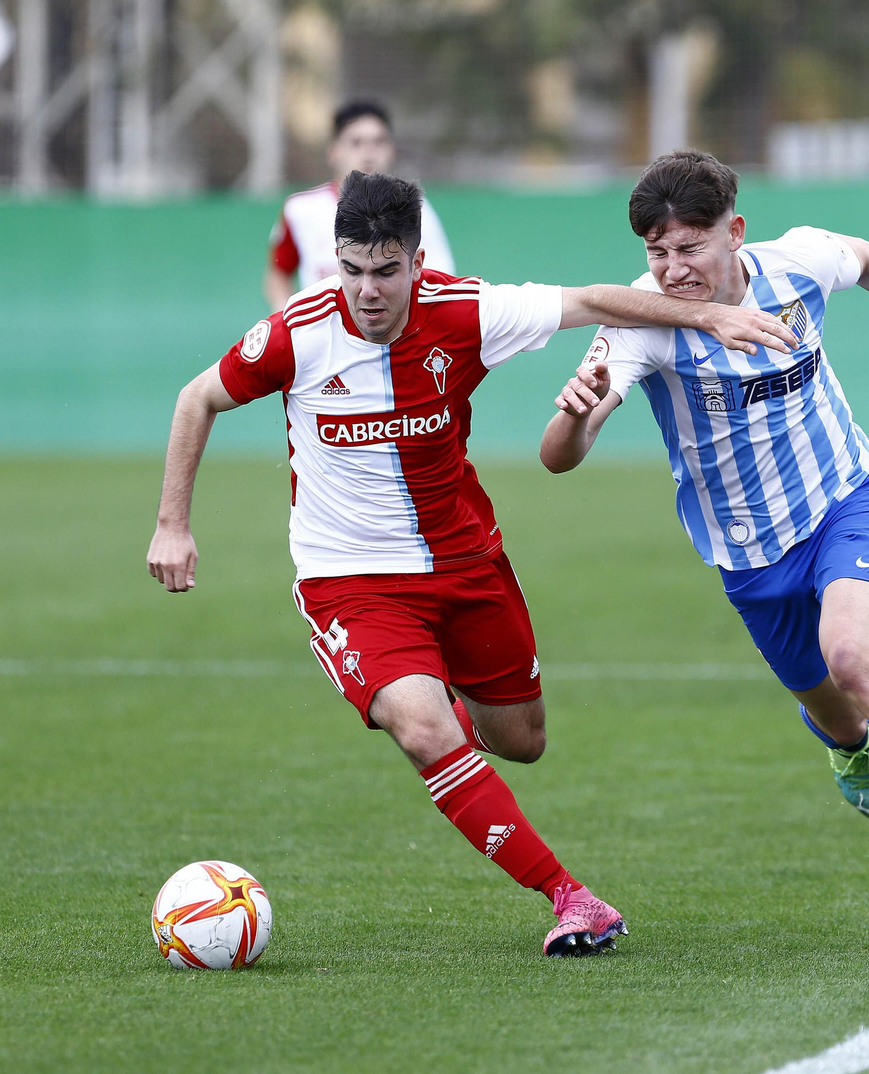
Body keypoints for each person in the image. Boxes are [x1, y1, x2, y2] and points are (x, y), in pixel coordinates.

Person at [149, 170, 794, 956]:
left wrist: (710, 316)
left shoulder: (468, 310)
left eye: (386, 271)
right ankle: (571, 896)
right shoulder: (297, 331)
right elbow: (196, 399)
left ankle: (439, 711)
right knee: (422, 728)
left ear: (418, 262)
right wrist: (171, 525)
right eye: (351, 270)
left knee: (521, 740)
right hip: (348, 581)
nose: (367, 290)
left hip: (466, 563)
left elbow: (593, 300)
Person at [540, 150, 869, 935]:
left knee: (857, 654)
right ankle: (847, 745)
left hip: (847, 502)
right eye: (657, 252)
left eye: (690, 247)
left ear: (735, 231)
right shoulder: (640, 320)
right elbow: (562, 456)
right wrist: (574, 412)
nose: (672, 268)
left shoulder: (793, 265)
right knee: (833, 706)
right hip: (751, 558)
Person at [264, 100, 455, 312]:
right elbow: (280, 271)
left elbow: (438, 278)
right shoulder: (300, 210)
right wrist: (287, 318)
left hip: (388, 334)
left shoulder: (413, 209)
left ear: (391, 151)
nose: (368, 152)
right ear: (333, 152)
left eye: (378, 142)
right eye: (356, 142)